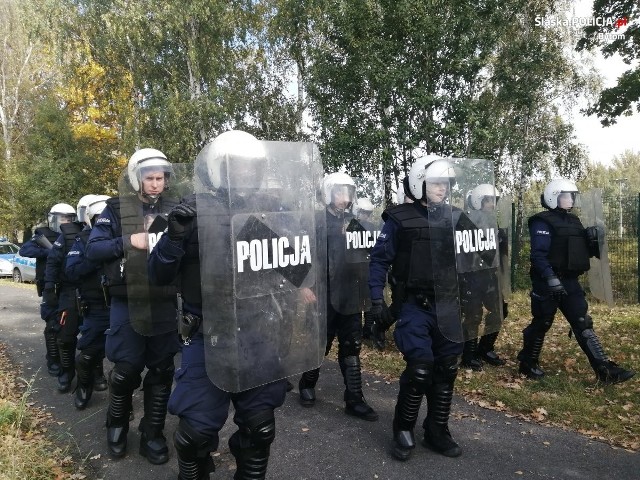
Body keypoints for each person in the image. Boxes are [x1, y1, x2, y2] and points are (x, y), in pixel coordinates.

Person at [149, 130, 320, 479]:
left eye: (250, 168)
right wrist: (173, 238)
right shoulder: (189, 212)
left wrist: (293, 226)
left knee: (260, 430)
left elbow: (297, 269)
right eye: (236, 167)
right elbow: (158, 275)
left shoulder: (262, 213)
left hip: (259, 334)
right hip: (208, 335)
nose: (244, 174)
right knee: (194, 435)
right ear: (217, 169)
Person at [369, 156, 486, 461]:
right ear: (419, 183)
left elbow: (476, 253)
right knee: (421, 367)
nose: (442, 189)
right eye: (436, 183)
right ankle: (403, 429)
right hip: (414, 306)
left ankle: (437, 430)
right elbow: (380, 260)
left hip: (448, 305)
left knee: (446, 369)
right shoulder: (399, 219)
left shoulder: (457, 217)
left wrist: (481, 282)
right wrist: (376, 300)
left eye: (446, 184)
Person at [86, 148, 180, 463]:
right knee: (126, 370)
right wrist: (129, 241)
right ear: (136, 178)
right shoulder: (116, 209)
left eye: (160, 178)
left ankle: (152, 432)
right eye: (149, 178)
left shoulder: (176, 209)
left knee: (162, 370)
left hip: (164, 299)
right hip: (128, 300)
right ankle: (116, 423)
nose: (156, 184)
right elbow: (93, 250)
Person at [517, 178, 635, 385]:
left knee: (582, 322)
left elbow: (576, 252)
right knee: (542, 322)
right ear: (553, 197)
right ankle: (527, 362)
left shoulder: (574, 221)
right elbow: (538, 255)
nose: (570, 199)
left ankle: (605, 371)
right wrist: (550, 277)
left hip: (570, 281)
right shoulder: (541, 221)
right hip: (547, 281)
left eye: (572, 195)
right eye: (565, 195)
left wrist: (592, 243)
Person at [297, 173, 378, 422]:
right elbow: (301, 255)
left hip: (351, 294)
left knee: (351, 346)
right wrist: (303, 285)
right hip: (323, 293)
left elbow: (369, 253)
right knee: (322, 343)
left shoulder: (355, 222)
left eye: (348, 193)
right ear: (328, 193)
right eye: (339, 193)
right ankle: (307, 384)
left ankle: (354, 399)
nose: (344, 198)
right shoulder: (315, 221)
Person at [44, 195, 98, 393]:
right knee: (66, 336)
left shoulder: (106, 232)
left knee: (95, 338)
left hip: (97, 293)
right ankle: (67, 372)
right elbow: (53, 262)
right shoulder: (67, 234)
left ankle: (95, 374)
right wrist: (50, 287)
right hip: (71, 291)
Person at [19, 203, 77, 377]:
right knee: (52, 325)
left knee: (68, 326)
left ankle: (67, 361)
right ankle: (53, 360)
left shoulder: (75, 234)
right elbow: (25, 249)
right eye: (61, 218)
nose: (64, 222)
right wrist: (51, 252)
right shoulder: (42, 233)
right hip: (49, 286)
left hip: (69, 286)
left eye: (68, 218)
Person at [65, 195, 111, 409]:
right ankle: (84, 387)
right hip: (96, 307)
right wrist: (94, 257)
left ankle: (122, 407)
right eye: (100, 217)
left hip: (125, 305)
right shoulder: (82, 241)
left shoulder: (123, 238)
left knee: (127, 361)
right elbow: (72, 271)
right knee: (89, 353)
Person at [460, 184, 507, 371]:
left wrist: (501, 240)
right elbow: (464, 249)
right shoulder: (469, 220)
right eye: (488, 200)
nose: (492, 204)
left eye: (494, 201)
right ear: (479, 201)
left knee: (500, 309)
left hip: (490, 274)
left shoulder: (492, 220)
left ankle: (485, 348)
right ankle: (469, 354)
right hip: (473, 273)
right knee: (473, 314)